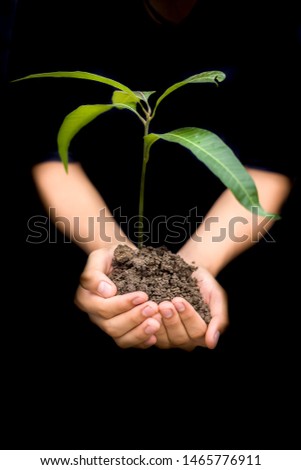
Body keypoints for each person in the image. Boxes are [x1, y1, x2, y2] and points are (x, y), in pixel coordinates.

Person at [8, 0, 299, 353]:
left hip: (231, 260)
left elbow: (270, 160)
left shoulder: (275, 16)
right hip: (79, 257)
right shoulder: (55, 11)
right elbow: (51, 154)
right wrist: (114, 256)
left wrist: (192, 268)